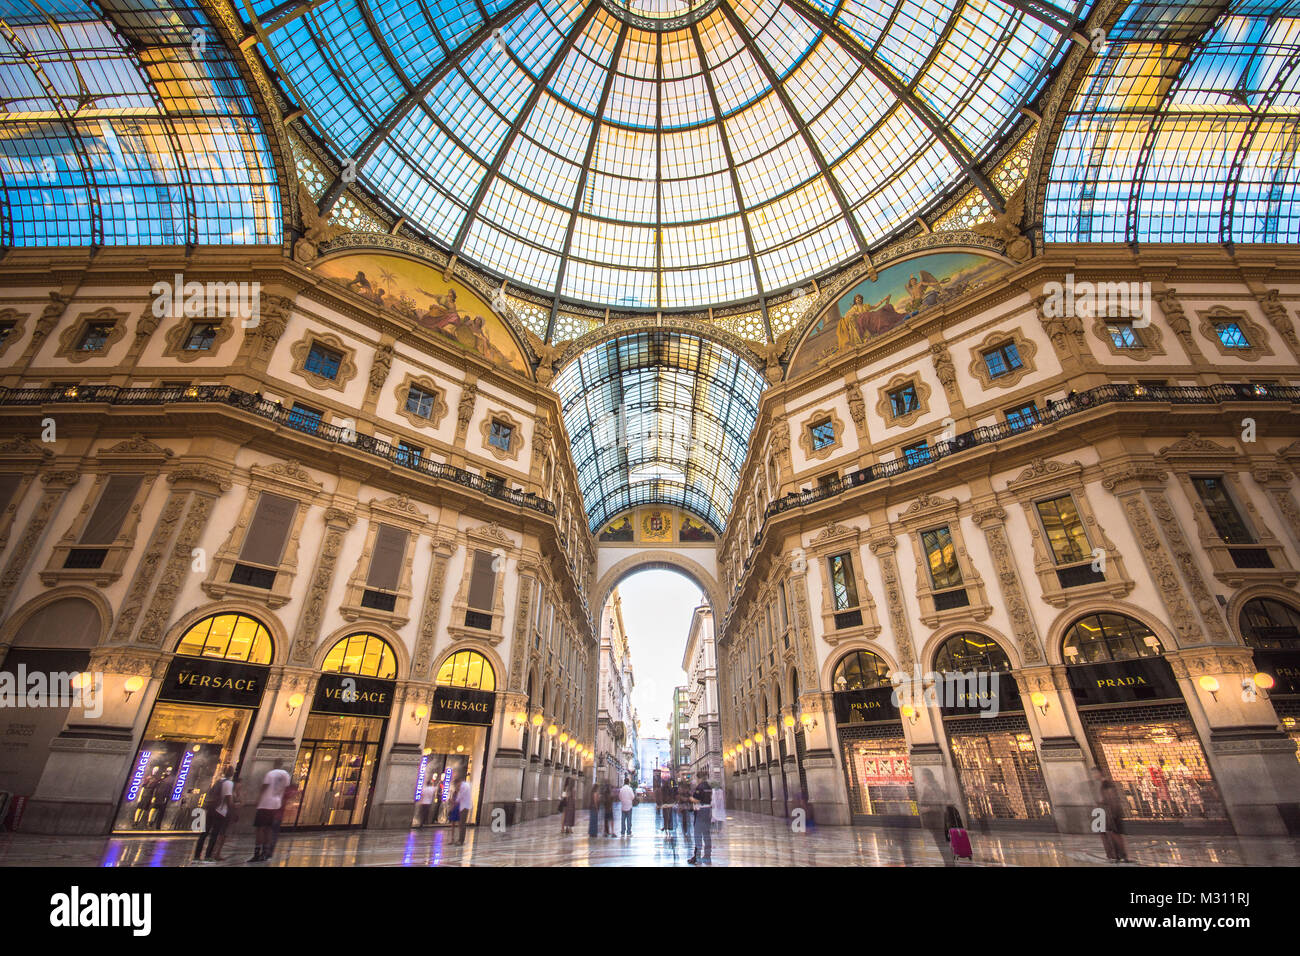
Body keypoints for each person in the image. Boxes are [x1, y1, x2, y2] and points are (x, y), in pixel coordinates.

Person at [249, 759, 290, 863]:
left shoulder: (270, 774)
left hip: (265, 803)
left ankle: (257, 853)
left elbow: (264, 787)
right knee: (269, 829)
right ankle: (265, 853)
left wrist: (257, 799)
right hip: (276, 804)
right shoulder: (285, 775)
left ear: (275, 764)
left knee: (260, 829)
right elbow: (285, 789)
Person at [193, 765, 234, 862]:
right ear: (230, 773)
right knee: (214, 834)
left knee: (204, 833)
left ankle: (196, 855)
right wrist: (232, 809)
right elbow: (228, 799)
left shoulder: (219, 781)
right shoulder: (228, 783)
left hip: (211, 809)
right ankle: (208, 855)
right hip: (220, 811)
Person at [1099, 777, 1131, 863]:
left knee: (1115, 835)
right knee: (1113, 835)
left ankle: (1121, 855)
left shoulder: (1108, 790)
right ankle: (1118, 855)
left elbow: (1112, 802)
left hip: (1112, 816)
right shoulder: (1108, 791)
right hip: (1110, 815)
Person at [688, 772, 713, 865]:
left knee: (698, 834)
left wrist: (690, 798)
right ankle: (707, 856)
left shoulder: (700, 787)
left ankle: (698, 858)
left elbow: (697, 799)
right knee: (707, 834)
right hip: (708, 811)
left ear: (699, 778)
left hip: (701, 811)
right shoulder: (709, 787)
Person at [454, 772, 473, 845]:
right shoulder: (466, 785)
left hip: (465, 806)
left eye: (457, 784)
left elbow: (460, 796)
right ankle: (460, 839)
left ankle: (461, 840)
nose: (457, 786)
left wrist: (455, 802)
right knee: (461, 823)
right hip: (464, 806)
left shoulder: (463, 786)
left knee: (462, 823)